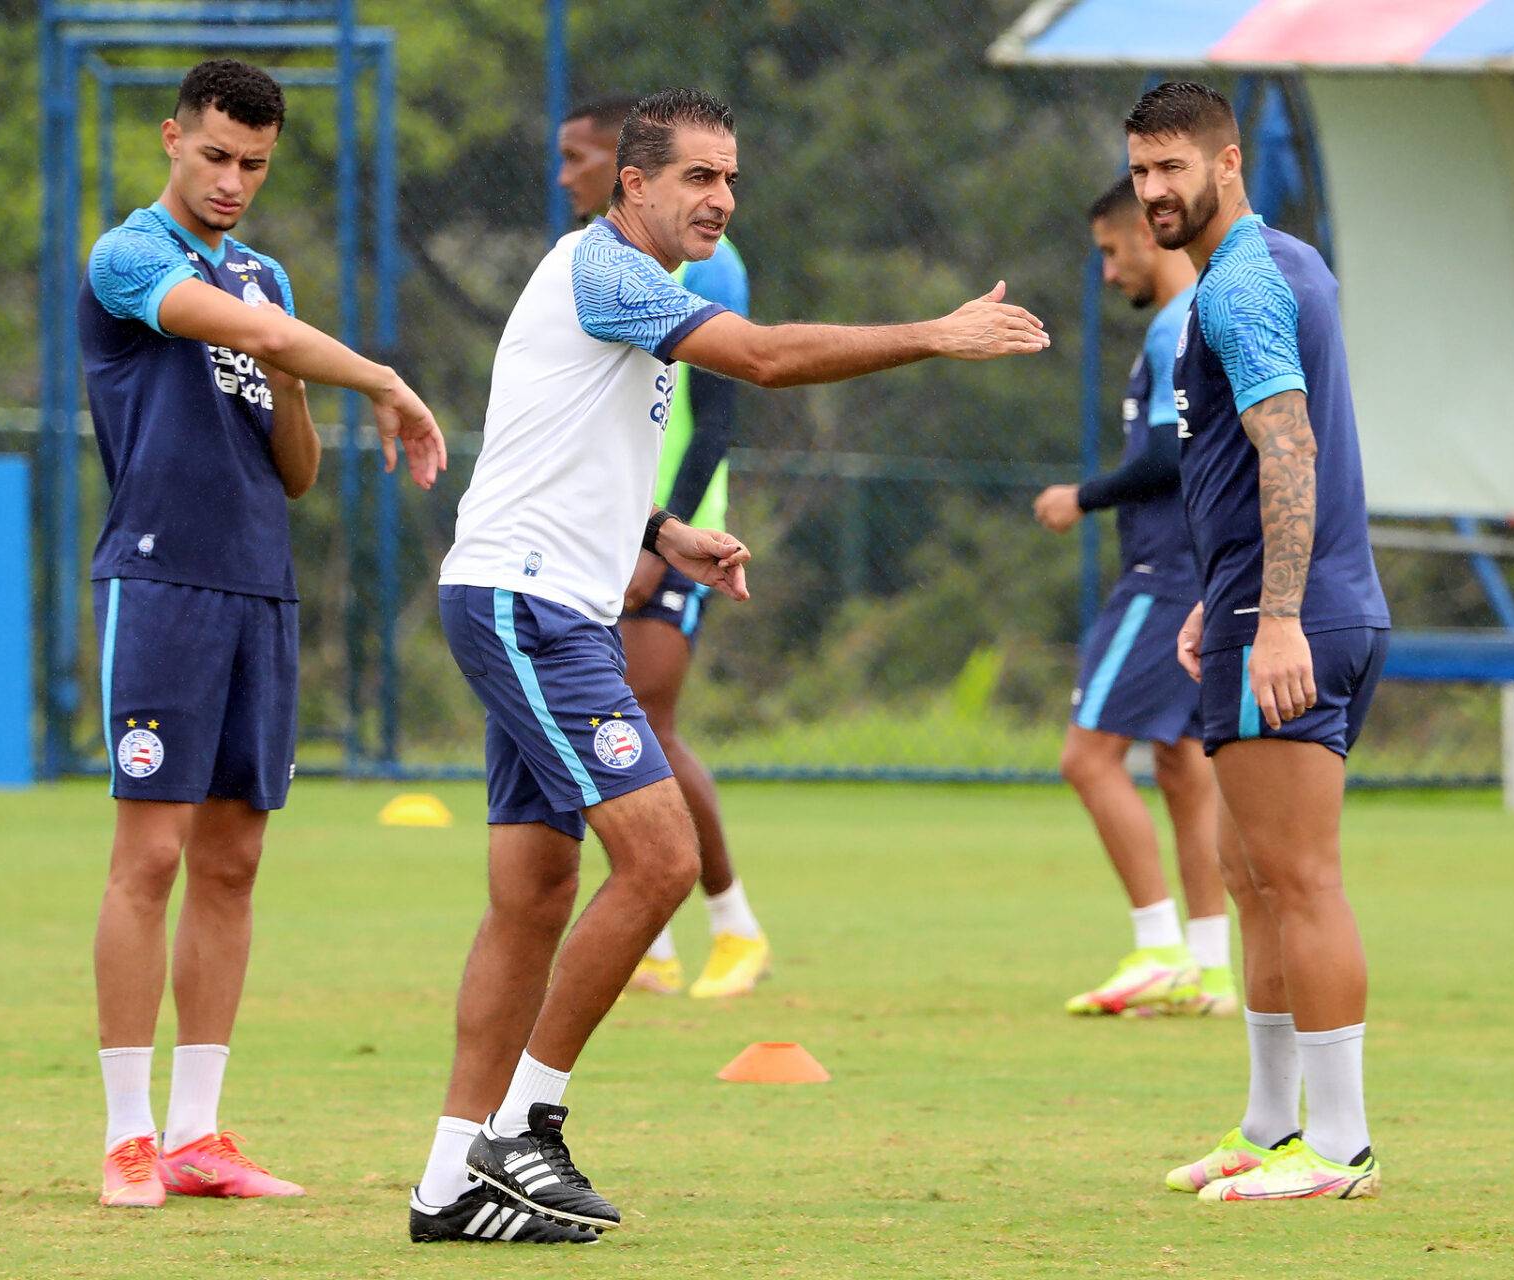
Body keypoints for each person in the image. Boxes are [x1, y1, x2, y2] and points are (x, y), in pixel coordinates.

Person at [411, 87, 1047, 1244]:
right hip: (529, 607)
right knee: (659, 858)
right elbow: (758, 358)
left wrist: (660, 532)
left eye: (733, 177)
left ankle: (450, 1180)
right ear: (635, 185)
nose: (723, 198)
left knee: (535, 897)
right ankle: (523, 1126)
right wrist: (932, 332)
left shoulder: (626, 289)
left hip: (543, 599)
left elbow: (550, 439)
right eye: (700, 176)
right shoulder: (606, 269)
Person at [81, 58, 444, 1210]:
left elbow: (294, 472)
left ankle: (199, 1133)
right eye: (216, 156)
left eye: (254, 165)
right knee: (149, 858)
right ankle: (127, 1134)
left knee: (233, 863)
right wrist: (377, 374)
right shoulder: (130, 257)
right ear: (170, 140)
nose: (233, 181)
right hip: (163, 583)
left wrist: (291, 370)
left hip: (258, 590)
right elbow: (231, 330)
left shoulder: (263, 276)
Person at [1123, 82, 1390, 1201]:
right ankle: (1270, 1124)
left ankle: (1339, 1145)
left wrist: (1274, 612)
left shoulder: (1236, 290)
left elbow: (1289, 450)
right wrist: (1219, 595)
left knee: (1298, 876)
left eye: (1172, 168)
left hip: (1294, 615)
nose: (1153, 193)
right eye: (1140, 172)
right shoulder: (1282, 263)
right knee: (1249, 875)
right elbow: (1251, 468)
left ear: (1228, 163)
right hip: (1258, 603)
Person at [558, 95, 768, 1001]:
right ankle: (658, 938)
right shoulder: (593, 265)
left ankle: (730, 925)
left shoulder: (705, 267)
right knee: (619, 725)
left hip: (676, 533)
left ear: (621, 165)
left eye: (576, 156)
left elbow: (716, 423)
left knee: (645, 722)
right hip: (612, 529)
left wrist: (662, 536)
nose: (564, 173)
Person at [1034, 177, 1233, 1018]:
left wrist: (1081, 495)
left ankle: (1157, 948)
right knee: (1185, 769)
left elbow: (1171, 456)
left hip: (1166, 577)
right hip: (1202, 568)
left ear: (1150, 239)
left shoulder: (1173, 326)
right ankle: (1211, 967)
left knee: (1087, 758)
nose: (1110, 271)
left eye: (1113, 253)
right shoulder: (1207, 315)